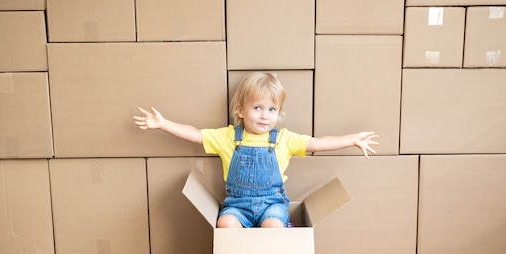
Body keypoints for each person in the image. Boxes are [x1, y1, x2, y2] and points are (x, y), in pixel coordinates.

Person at [134, 72, 379, 229]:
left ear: (279, 113)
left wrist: (351, 139)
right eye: (257, 108)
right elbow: (195, 134)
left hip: (271, 205)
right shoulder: (229, 137)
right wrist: (164, 125)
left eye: (272, 110)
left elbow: (317, 143)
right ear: (240, 110)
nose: (265, 116)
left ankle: (273, 249)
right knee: (225, 224)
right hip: (237, 205)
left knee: (272, 226)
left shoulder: (283, 139)